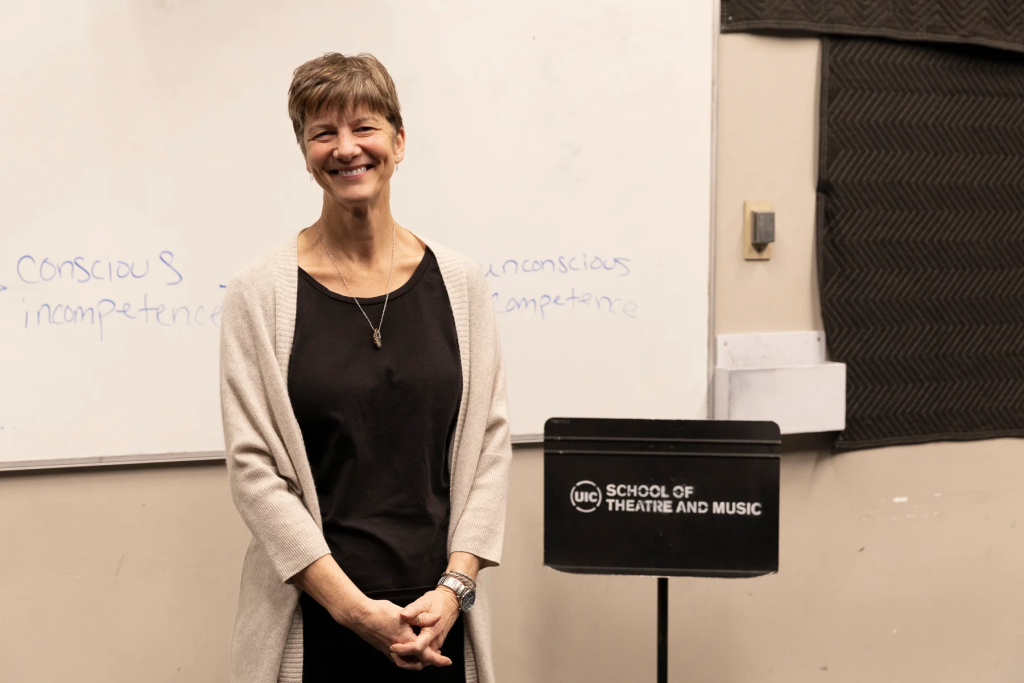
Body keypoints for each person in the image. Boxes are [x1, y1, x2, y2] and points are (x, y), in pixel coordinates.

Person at [219, 52, 512, 683]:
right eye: (324, 132)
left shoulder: (460, 283)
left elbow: (488, 445)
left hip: (439, 621)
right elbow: (254, 472)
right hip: (318, 620)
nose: (347, 148)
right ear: (305, 153)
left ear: (399, 141)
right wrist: (353, 612)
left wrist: (455, 588)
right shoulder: (259, 293)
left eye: (365, 128)